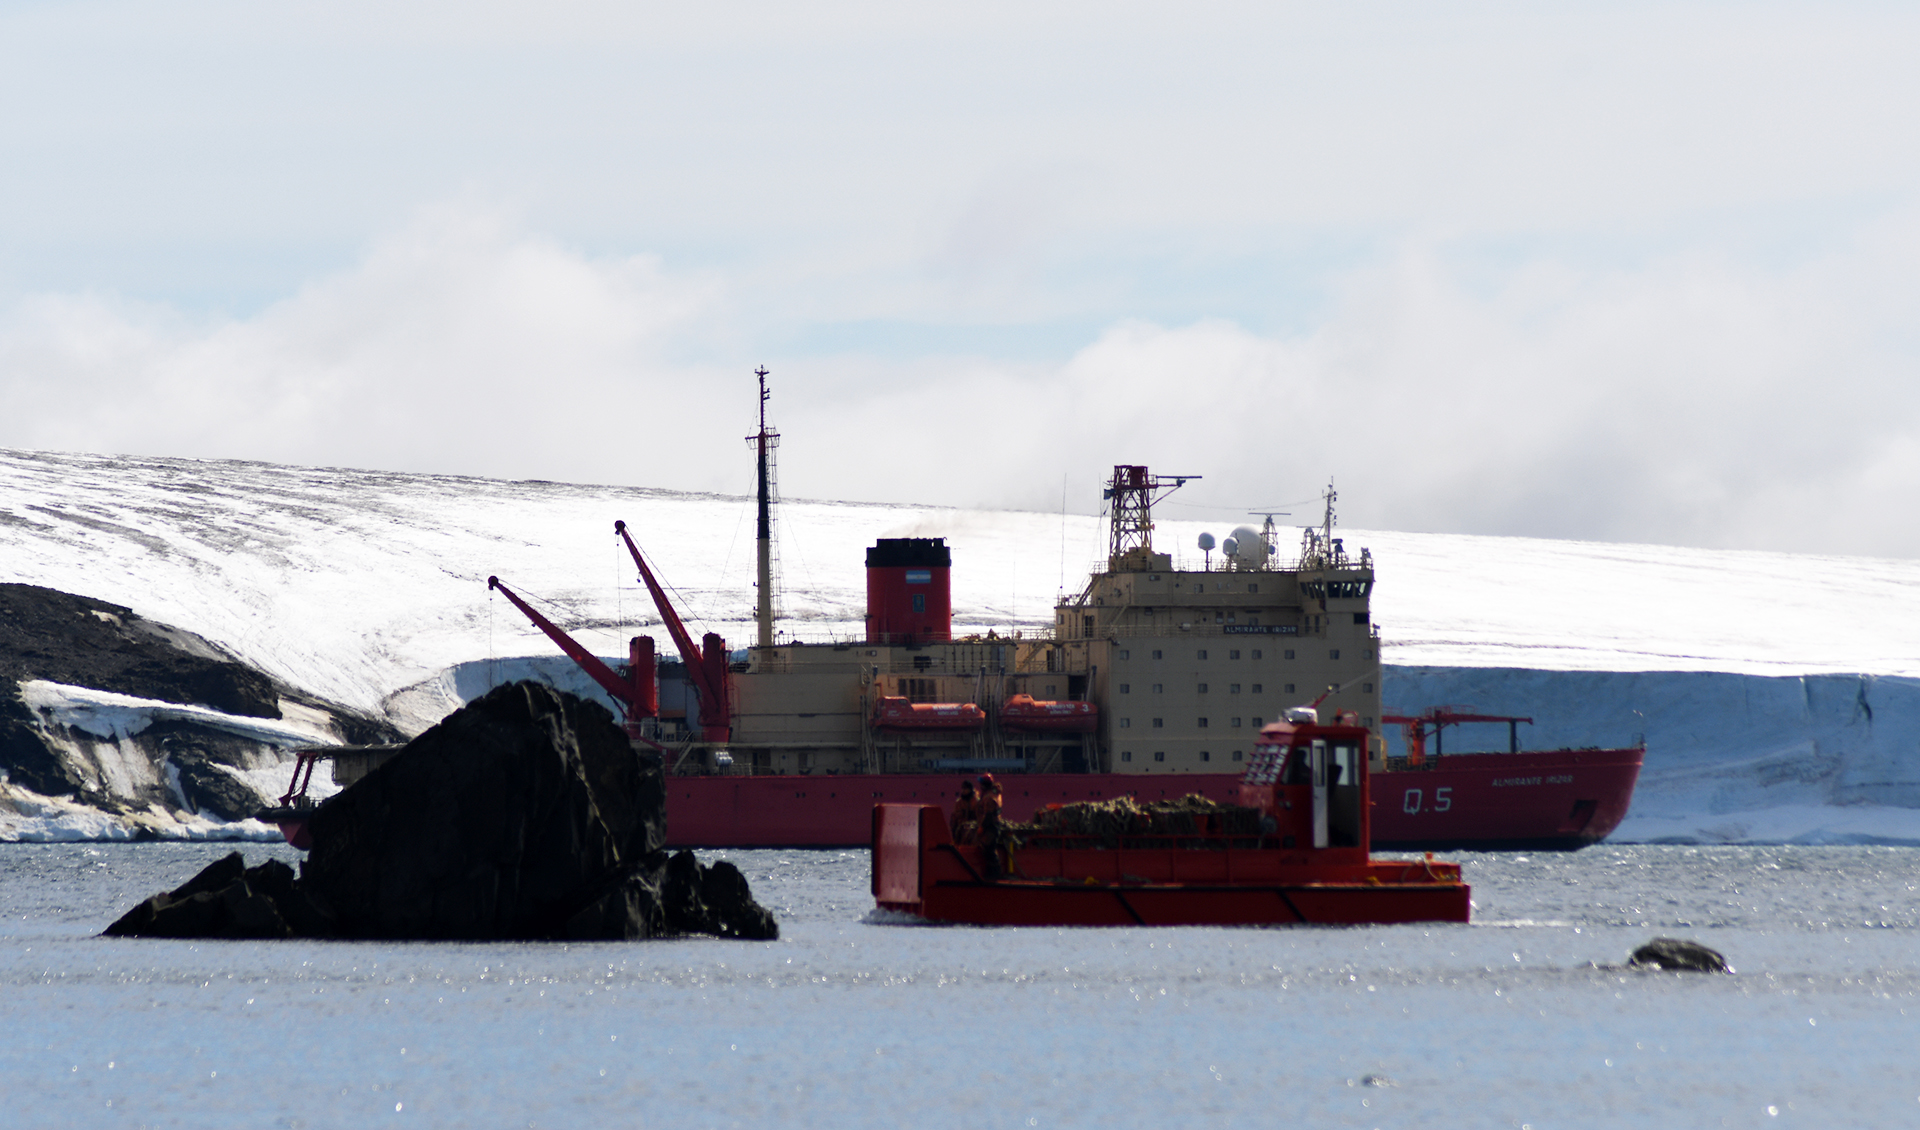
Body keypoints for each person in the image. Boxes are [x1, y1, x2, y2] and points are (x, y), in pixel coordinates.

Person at [977, 775, 1007, 878]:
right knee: (988, 849)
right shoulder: (993, 794)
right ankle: (992, 873)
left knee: (989, 849)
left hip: (991, 827)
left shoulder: (989, 797)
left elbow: (988, 815)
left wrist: (982, 827)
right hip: (993, 825)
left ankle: (994, 874)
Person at [950, 779, 981, 844]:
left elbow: (980, 817)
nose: (963, 791)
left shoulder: (976, 802)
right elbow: (954, 817)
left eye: (965, 789)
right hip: (961, 831)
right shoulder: (959, 803)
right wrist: (953, 830)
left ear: (970, 790)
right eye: (963, 788)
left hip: (973, 831)